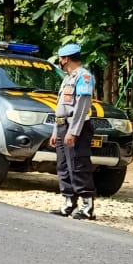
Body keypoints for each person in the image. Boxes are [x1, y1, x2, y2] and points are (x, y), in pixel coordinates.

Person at [50, 42, 97, 220]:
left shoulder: (84, 76)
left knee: (78, 165)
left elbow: (82, 106)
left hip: (76, 127)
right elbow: (61, 107)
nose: (59, 62)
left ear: (66, 59)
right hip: (62, 126)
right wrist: (56, 131)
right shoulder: (68, 78)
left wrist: (73, 131)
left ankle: (87, 207)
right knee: (63, 166)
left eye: (60, 58)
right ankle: (68, 203)